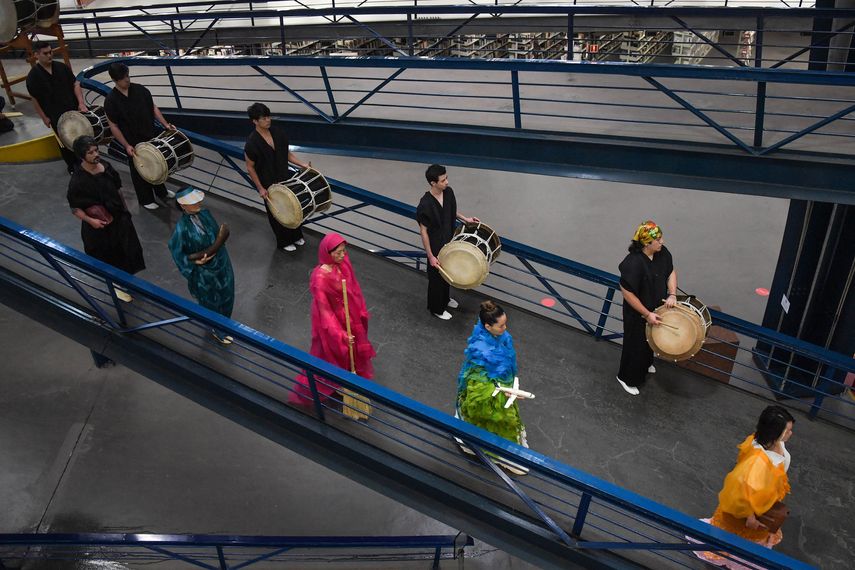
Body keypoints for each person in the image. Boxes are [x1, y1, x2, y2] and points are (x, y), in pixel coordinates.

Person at [693, 406, 795, 568]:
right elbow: (741, 492)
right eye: (788, 430)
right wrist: (750, 517)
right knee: (737, 541)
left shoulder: (768, 442)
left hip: (764, 502)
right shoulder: (756, 463)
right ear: (776, 433)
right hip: (750, 513)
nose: (791, 434)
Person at [289, 233, 376, 405]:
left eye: (344, 251)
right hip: (329, 322)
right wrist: (341, 335)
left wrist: (357, 311)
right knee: (329, 353)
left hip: (347, 315)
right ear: (328, 253)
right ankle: (331, 383)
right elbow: (326, 313)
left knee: (352, 350)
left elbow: (353, 287)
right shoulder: (320, 279)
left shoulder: (341, 263)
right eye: (339, 252)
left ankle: (345, 378)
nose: (343, 255)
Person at [66, 135, 145, 303]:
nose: (96, 154)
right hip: (100, 228)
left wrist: (125, 210)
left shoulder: (107, 167)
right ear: (82, 156)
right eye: (90, 152)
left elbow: (118, 190)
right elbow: (75, 209)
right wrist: (91, 221)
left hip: (119, 220)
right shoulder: (78, 181)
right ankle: (116, 284)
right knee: (110, 257)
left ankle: (126, 280)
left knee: (127, 251)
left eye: (96, 150)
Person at [616, 220, 677, 395]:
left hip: (657, 308)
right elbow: (627, 293)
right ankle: (626, 377)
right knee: (635, 345)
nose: (662, 242)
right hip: (638, 314)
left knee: (652, 341)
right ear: (646, 243)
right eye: (658, 240)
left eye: (661, 237)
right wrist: (646, 313)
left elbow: (671, 271)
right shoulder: (633, 263)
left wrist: (672, 294)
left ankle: (646, 363)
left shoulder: (662, 253)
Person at [168, 187, 236, 345]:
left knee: (227, 294)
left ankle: (225, 323)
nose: (199, 202)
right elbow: (177, 251)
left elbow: (217, 235)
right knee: (211, 301)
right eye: (193, 202)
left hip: (221, 263)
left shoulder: (205, 214)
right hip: (203, 273)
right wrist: (195, 262)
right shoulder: (181, 228)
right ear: (183, 206)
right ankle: (217, 329)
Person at [104, 62, 175, 210]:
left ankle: (161, 191)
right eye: (123, 78)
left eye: (127, 76)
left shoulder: (140, 90)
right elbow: (114, 126)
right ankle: (145, 198)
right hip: (132, 141)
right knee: (139, 169)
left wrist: (165, 124)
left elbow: (153, 108)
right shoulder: (111, 101)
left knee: (156, 164)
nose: (127, 80)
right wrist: (126, 145)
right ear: (115, 80)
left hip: (149, 135)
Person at [456, 300, 528, 447]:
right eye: (501, 325)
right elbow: (477, 382)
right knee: (501, 419)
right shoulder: (480, 351)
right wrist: (503, 390)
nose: (505, 328)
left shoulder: (502, 336)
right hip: (489, 392)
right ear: (488, 326)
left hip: (502, 385)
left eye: (505, 323)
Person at [244, 102, 311, 252]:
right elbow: (250, 167)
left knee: (294, 207)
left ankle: (296, 235)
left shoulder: (278, 132)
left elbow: (287, 154)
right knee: (278, 212)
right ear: (254, 121)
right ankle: (283, 241)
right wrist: (260, 188)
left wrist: (302, 165)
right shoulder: (252, 143)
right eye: (263, 118)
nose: (268, 120)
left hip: (285, 177)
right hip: (268, 183)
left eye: (268, 116)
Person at [416, 164, 479, 320]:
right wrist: (430, 255)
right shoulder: (425, 204)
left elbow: (450, 210)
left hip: (449, 241)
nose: (447, 182)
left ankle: (445, 299)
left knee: (448, 273)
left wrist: (466, 219)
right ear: (433, 183)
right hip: (436, 245)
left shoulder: (448, 193)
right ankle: (436, 308)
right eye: (443, 180)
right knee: (436, 278)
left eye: (446, 178)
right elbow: (423, 231)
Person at [26, 41, 88, 172]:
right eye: (45, 53)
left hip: (72, 110)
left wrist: (81, 103)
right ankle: (72, 167)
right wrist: (44, 117)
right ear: (36, 55)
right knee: (64, 142)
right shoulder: (33, 77)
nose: (49, 55)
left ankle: (86, 160)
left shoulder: (61, 67)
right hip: (55, 115)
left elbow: (75, 84)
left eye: (51, 52)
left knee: (81, 135)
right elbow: (35, 99)